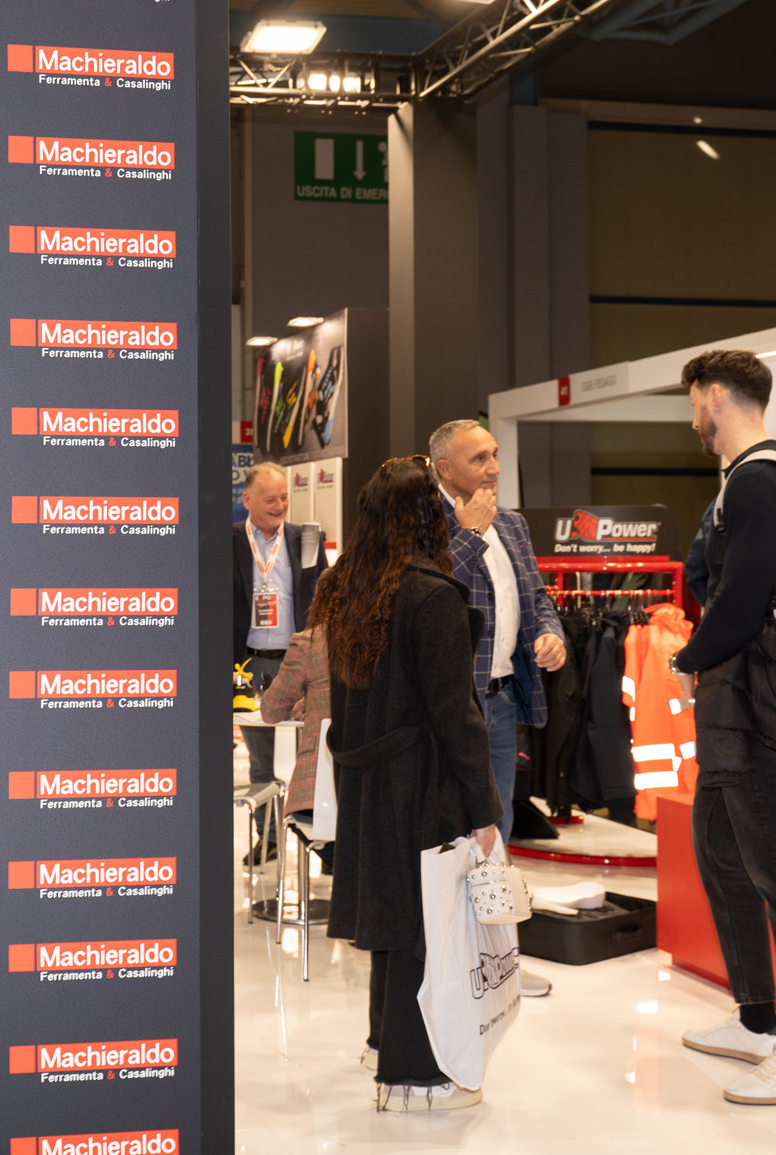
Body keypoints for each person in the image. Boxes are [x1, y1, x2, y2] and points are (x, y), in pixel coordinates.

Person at [668, 349, 776, 1105]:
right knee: (720, 852)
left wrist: (687, 659)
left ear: (715, 396)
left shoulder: (761, 480)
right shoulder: (754, 477)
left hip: (759, 706)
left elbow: (740, 601)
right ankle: (755, 1018)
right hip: (736, 706)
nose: (692, 419)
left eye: (692, 402)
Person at [319, 456, 503, 1113]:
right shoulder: (432, 594)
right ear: (428, 516)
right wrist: (483, 808)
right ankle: (414, 1075)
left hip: (365, 781)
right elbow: (457, 717)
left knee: (391, 917)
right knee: (425, 925)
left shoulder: (345, 586)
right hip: (421, 783)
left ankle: (382, 1043)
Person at [429, 419, 567, 999]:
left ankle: (497, 959)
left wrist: (551, 633)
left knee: (498, 830)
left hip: (503, 700)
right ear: (444, 469)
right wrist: (466, 533)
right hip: (448, 707)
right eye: (478, 458)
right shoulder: (423, 523)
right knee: (449, 834)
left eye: (494, 455)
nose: (492, 468)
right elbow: (430, 598)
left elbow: (533, 597)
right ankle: (446, 962)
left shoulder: (512, 523)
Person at [233, 462, 328, 863]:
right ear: (247, 499)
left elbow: (325, 598)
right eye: (270, 499)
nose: (279, 505)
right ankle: (268, 839)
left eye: (284, 497)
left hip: (301, 664)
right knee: (261, 760)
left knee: (317, 757)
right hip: (250, 666)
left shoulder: (306, 538)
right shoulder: (229, 541)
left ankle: (323, 843)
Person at [258, 626, 333, 877]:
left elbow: (271, 711)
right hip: (379, 790)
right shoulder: (388, 636)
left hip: (317, 794)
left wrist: (310, 700)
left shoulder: (311, 642)